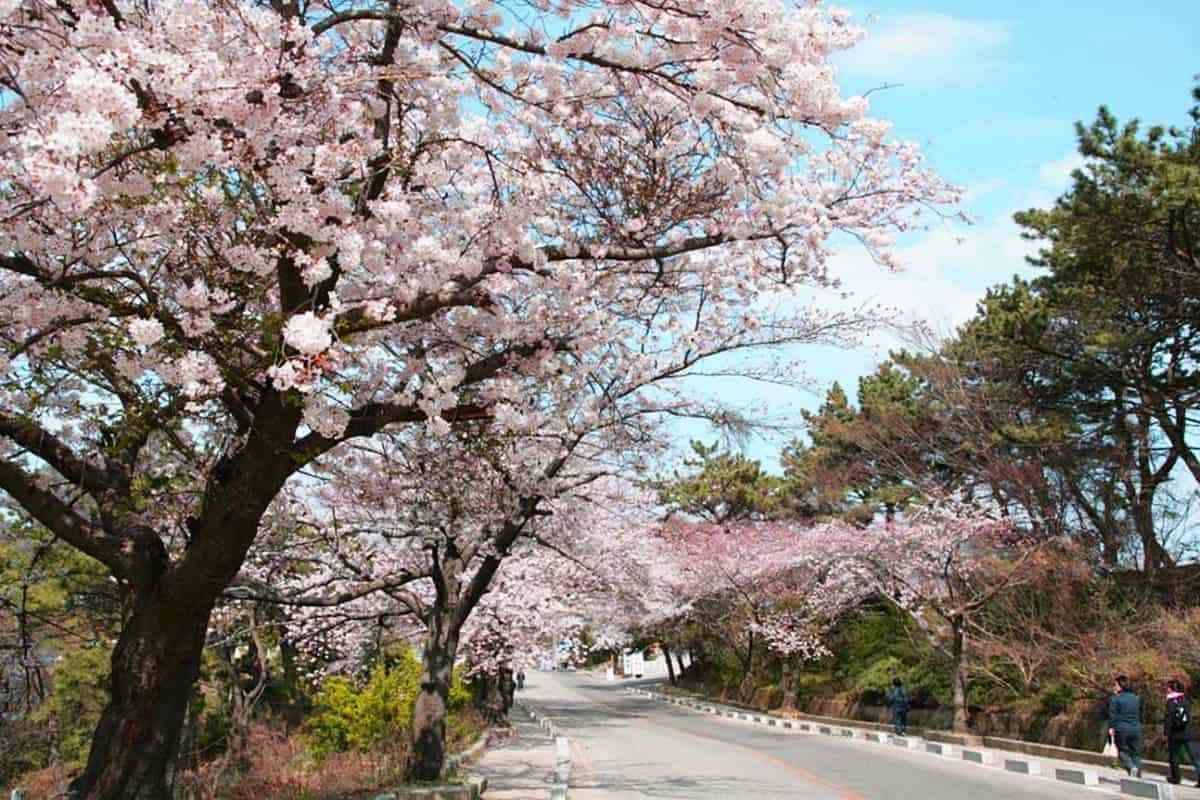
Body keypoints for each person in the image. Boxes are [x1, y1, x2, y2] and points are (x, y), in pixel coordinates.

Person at [1165, 679, 1200, 787]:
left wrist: (1166, 733)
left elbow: (1169, 719)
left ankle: (1176, 778)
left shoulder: (1170, 701)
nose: (1167, 689)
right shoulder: (1186, 700)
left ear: (1172, 689)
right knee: (1195, 757)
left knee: (1174, 757)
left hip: (1175, 734)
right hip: (1187, 732)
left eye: (1168, 687)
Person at [1108, 674, 1143, 778]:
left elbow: (1112, 714)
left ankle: (1131, 767)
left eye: (1115, 685)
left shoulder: (1115, 699)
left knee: (1122, 751)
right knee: (1136, 753)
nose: (1114, 687)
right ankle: (1137, 775)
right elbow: (1140, 713)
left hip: (1121, 728)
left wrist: (1111, 727)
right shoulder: (1136, 698)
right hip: (1136, 728)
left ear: (1121, 685)